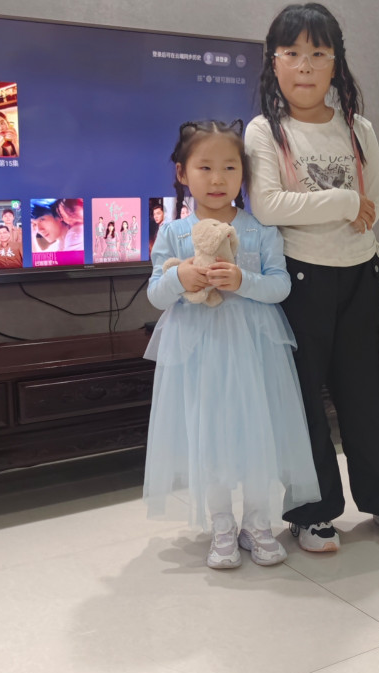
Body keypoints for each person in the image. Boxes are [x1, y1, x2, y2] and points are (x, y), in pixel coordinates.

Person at [245, 3, 379, 552]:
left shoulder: (358, 128)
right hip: (299, 280)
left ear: (336, 63)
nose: (305, 65)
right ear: (274, 62)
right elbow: (269, 205)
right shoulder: (265, 130)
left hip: (359, 275)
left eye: (318, 53)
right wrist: (343, 201)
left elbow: (377, 203)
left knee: (366, 394)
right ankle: (311, 511)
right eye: (292, 52)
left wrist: (340, 206)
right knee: (301, 401)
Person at [143, 119, 320, 569]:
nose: (217, 179)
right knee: (210, 435)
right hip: (199, 352)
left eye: (230, 167)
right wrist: (180, 277)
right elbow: (156, 294)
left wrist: (243, 280)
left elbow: (280, 286)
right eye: (204, 167)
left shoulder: (260, 229)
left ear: (244, 173)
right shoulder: (173, 233)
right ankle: (221, 524)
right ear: (182, 172)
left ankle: (257, 523)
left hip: (253, 350)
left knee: (257, 432)